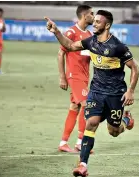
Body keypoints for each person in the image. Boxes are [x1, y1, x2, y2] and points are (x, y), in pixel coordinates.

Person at [45, 9, 139, 177]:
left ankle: (125, 119)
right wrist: (57, 32)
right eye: (94, 21)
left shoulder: (118, 46)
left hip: (115, 94)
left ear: (107, 25)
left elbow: (135, 68)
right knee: (91, 123)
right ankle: (82, 165)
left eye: (98, 22)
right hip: (96, 92)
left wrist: (131, 91)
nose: (94, 24)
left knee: (114, 131)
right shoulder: (91, 41)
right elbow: (69, 46)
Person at [57, 5, 94, 153]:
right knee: (87, 105)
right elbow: (61, 54)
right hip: (74, 76)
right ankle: (81, 142)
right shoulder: (71, 32)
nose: (94, 16)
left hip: (84, 77)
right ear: (85, 16)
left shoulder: (90, 34)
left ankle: (63, 142)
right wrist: (62, 77)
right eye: (92, 14)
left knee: (74, 107)